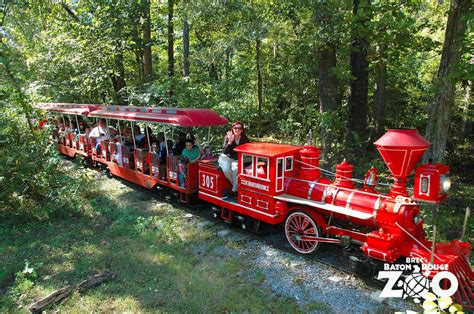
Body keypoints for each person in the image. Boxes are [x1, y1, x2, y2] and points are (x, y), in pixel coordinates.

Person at [218, 121, 250, 194]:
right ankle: (236, 188)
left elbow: (248, 147)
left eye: (239, 128)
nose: (237, 130)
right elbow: (225, 152)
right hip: (225, 158)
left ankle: (234, 190)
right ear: (233, 128)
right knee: (226, 170)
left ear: (242, 130)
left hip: (236, 159)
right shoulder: (228, 137)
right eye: (236, 128)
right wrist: (229, 142)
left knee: (236, 170)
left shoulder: (244, 138)